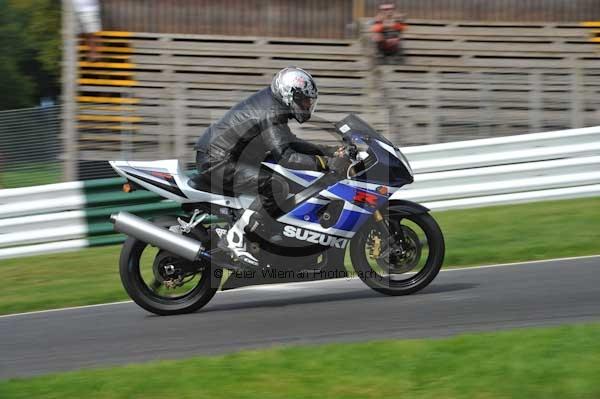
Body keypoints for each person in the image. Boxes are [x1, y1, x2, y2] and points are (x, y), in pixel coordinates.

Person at [194, 67, 351, 267]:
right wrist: (327, 164)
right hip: (217, 160)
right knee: (275, 185)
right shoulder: (271, 111)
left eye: (308, 102)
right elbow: (287, 157)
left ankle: (264, 237)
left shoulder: (273, 105)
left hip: (225, 157)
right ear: (289, 94)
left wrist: (328, 151)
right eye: (303, 100)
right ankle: (236, 238)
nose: (306, 105)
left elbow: (288, 143)